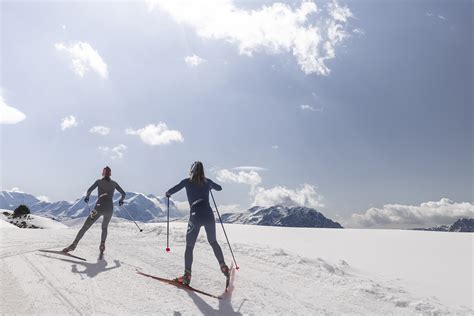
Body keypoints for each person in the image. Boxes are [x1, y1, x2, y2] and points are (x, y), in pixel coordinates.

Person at [166, 161, 229, 285]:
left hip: (196, 216)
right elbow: (220, 188)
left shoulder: (186, 181)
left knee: (189, 246)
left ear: (191, 170)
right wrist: (209, 185)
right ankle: (224, 267)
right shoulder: (207, 181)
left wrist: (168, 193)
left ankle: (187, 276)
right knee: (213, 241)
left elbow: (171, 190)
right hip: (209, 215)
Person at [63, 166, 126, 254]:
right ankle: (102, 245)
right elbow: (123, 193)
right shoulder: (114, 183)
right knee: (104, 227)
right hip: (109, 209)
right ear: (110, 174)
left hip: (99, 207)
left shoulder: (98, 182)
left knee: (85, 226)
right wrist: (121, 201)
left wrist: (87, 197)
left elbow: (89, 190)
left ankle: (74, 244)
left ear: (102, 173)